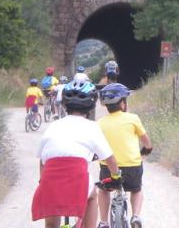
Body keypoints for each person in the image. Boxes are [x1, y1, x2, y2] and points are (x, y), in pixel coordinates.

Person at [31, 80, 122, 228]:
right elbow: (109, 158)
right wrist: (116, 177)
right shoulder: (91, 127)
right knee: (92, 196)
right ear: (91, 104)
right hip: (77, 178)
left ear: (65, 104)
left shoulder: (54, 126)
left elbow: (42, 160)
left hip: (50, 178)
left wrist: (43, 181)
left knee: (52, 210)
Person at [97, 83, 152, 228]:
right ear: (122, 103)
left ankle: (103, 222)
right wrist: (144, 152)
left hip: (108, 168)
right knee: (136, 189)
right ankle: (136, 217)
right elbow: (147, 143)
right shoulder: (133, 118)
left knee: (103, 191)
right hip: (132, 167)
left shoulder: (99, 123)